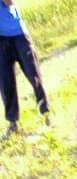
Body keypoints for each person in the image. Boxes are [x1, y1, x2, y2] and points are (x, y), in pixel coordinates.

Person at [0, 0, 49, 141]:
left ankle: (46, 114)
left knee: (34, 76)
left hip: (18, 35)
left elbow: (10, 2)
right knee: (6, 84)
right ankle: (13, 123)